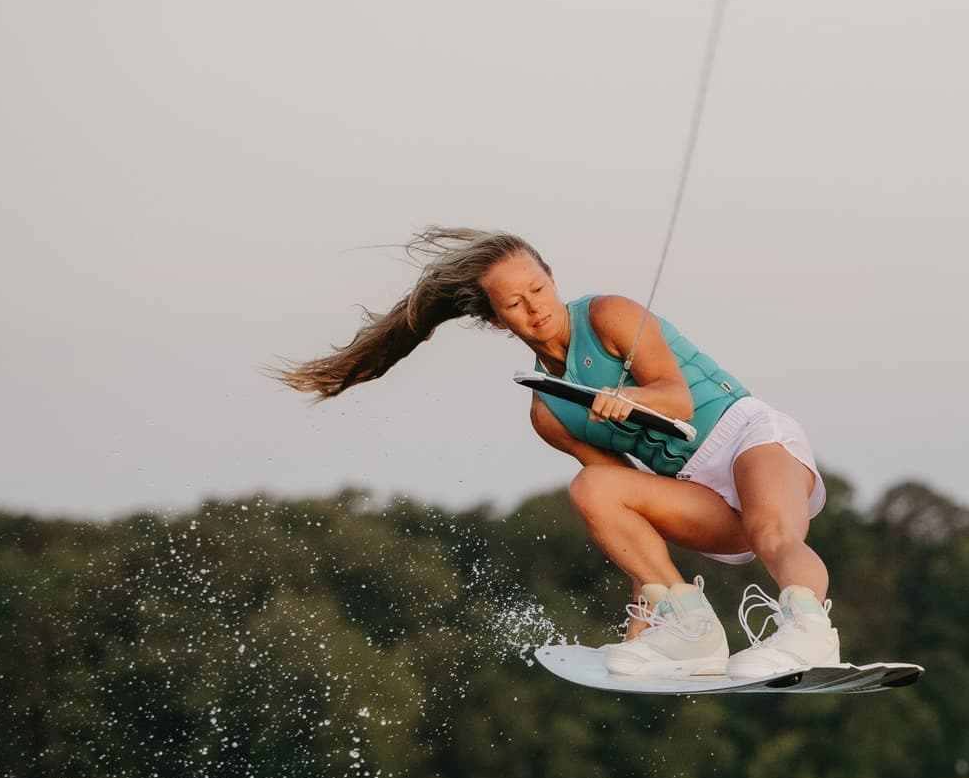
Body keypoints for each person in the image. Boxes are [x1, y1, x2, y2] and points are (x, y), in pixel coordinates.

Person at [278, 227, 844, 679]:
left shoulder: (608, 315)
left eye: (539, 289)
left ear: (552, 278)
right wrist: (643, 628)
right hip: (698, 490)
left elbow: (675, 396)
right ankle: (687, 630)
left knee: (775, 534)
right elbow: (627, 511)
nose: (535, 308)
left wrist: (628, 397)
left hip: (748, 436)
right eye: (515, 303)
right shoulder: (549, 413)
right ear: (495, 318)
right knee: (591, 489)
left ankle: (807, 632)